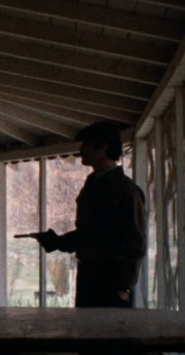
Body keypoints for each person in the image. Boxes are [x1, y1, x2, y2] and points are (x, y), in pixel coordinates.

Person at [30, 121, 147, 308]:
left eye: (87, 144)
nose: (81, 149)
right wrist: (57, 241)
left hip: (110, 283)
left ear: (103, 147)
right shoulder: (97, 185)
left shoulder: (125, 190)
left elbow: (136, 241)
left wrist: (123, 287)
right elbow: (91, 234)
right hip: (92, 278)